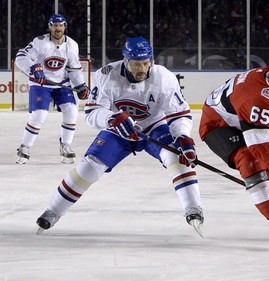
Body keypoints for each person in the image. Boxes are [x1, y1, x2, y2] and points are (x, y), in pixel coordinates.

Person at [36, 36, 204, 237]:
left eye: (146, 63)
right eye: (136, 64)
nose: (142, 69)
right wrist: (112, 119)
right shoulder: (107, 74)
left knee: (177, 156)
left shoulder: (164, 77)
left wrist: (183, 138)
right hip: (118, 130)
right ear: (125, 61)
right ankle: (53, 211)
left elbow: (179, 114)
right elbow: (92, 113)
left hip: (154, 126)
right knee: (90, 166)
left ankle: (194, 208)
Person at [199, 53, 269, 249]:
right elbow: (260, 147)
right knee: (252, 163)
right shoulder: (256, 95)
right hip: (219, 124)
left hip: (246, 120)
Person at [15, 14, 90, 164]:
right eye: (55, 25)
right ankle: (25, 147)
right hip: (40, 84)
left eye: (61, 25)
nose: (58, 28)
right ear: (50, 27)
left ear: (65, 27)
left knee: (72, 111)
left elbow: (73, 68)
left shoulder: (72, 45)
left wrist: (80, 85)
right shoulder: (40, 42)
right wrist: (33, 67)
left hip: (61, 83)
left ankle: (66, 145)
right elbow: (20, 56)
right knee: (39, 115)